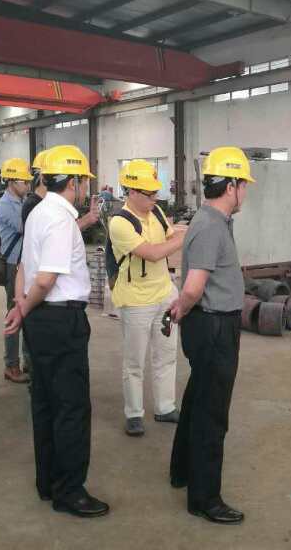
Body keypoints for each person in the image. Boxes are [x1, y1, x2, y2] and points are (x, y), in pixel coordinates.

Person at [4, 145, 109, 518]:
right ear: (75, 182)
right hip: (60, 321)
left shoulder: (36, 212)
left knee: (45, 403)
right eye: (84, 181)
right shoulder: (61, 219)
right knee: (71, 408)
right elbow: (46, 279)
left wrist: (21, 305)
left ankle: (48, 482)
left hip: (41, 320)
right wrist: (23, 307)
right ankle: (70, 492)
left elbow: (23, 266)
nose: (85, 188)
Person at [168, 146, 254, 525]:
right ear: (231, 186)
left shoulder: (213, 222)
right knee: (212, 414)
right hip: (214, 326)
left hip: (211, 322)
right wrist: (182, 309)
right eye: (244, 185)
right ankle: (205, 498)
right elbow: (192, 287)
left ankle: (182, 471)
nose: (246, 192)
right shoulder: (209, 226)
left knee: (196, 399)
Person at [109, 159, 185, 436]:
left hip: (164, 293)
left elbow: (170, 237)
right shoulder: (120, 223)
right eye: (149, 193)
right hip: (136, 302)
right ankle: (134, 414)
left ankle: (165, 407)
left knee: (166, 356)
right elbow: (153, 253)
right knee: (135, 362)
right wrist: (186, 236)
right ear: (131, 192)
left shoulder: (157, 213)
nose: (155, 198)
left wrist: (177, 238)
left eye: (155, 193)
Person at [0, 157, 33, 383]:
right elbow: (25, 227)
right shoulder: (4, 205)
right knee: (14, 314)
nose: (27, 186)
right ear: (11, 181)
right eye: (24, 182)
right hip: (13, 266)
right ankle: (11, 365)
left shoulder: (25, 201)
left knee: (28, 313)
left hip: (26, 265)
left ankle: (29, 361)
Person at [21, 148, 99, 230]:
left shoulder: (48, 207)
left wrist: (88, 218)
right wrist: (86, 220)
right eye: (85, 180)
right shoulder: (39, 207)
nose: (86, 186)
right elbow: (60, 229)